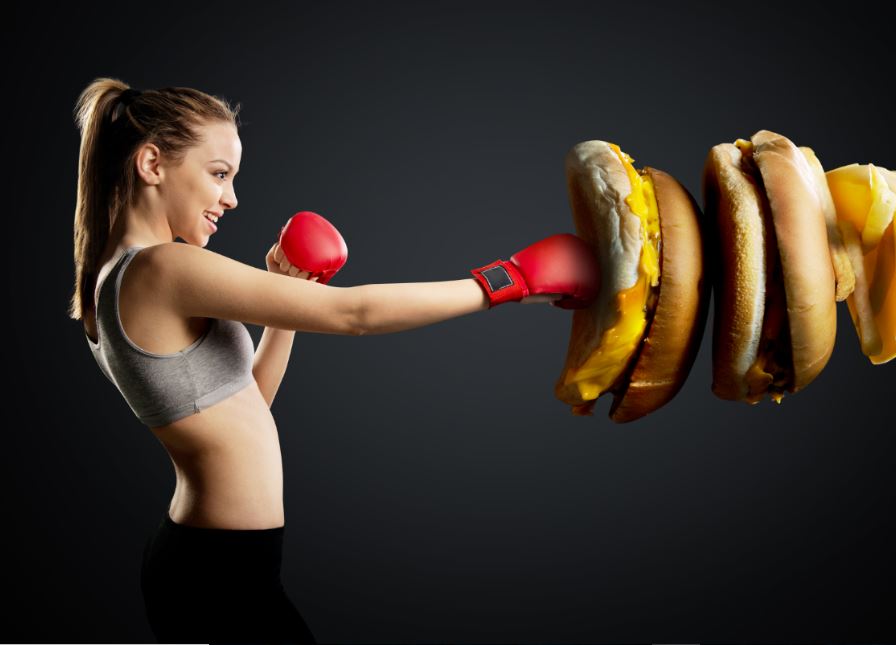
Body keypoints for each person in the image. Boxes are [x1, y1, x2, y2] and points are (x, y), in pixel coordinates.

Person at [69, 77, 598, 644]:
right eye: (219, 174)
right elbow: (356, 313)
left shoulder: (113, 274)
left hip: (216, 559)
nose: (231, 198)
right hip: (218, 573)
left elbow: (249, 405)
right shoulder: (161, 269)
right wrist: (507, 280)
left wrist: (281, 300)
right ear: (152, 163)